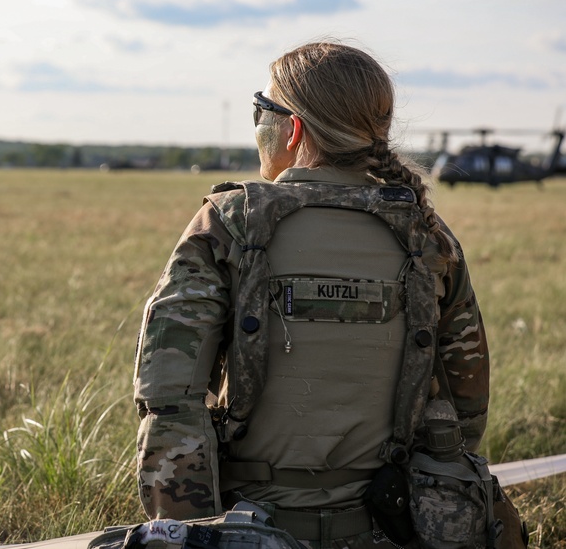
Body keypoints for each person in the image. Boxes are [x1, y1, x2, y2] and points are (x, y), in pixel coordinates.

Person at [132, 41, 489, 547]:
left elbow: (168, 403)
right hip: (394, 530)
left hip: (253, 530)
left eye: (263, 111)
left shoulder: (228, 224)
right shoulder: (428, 236)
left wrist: (200, 535)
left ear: (292, 128)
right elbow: (467, 410)